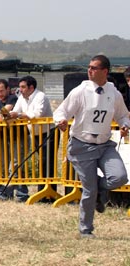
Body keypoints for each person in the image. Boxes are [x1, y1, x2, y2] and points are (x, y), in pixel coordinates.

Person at [54, 54, 129, 239]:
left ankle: (99, 190)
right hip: (82, 145)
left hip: (105, 145)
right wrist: (61, 121)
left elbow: (123, 115)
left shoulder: (114, 93)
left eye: (94, 68)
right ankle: (85, 230)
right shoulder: (80, 91)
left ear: (105, 71)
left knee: (119, 177)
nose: (89, 70)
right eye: (89, 67)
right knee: (89, 190)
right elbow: (62, 111)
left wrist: (125, 124)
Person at [9, 75, 58, 201]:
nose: (21, 90)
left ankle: (49, 194)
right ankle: (42, 193)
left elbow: (37, 114)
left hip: (48, 132)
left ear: (31, 87)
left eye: (23, 87)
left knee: (48, 162)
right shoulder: (21, 98)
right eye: (20, 87)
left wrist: (18, 115)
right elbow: (15, 111)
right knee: (41, 163)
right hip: (35, 134)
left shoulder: (41, 96)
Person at [0, 79, 29, 202]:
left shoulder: (12, 98)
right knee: (9, 166)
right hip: (6, 137)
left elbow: (5, 112)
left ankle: (15, 193)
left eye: (1, 91)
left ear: (8, 90)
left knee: (15, 165)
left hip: (19, 136)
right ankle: (16, 193)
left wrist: (0, 113)